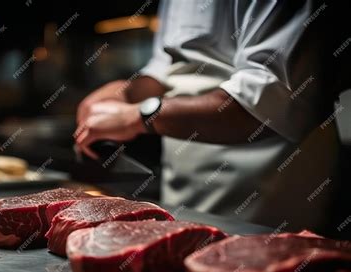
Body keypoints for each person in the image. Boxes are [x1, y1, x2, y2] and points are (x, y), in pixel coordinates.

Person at [74, 0, 343, 232]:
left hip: (270, 186)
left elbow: (268, 100)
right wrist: (124, 92)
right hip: (186, 180)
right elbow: (164, 69)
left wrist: (138, 115)